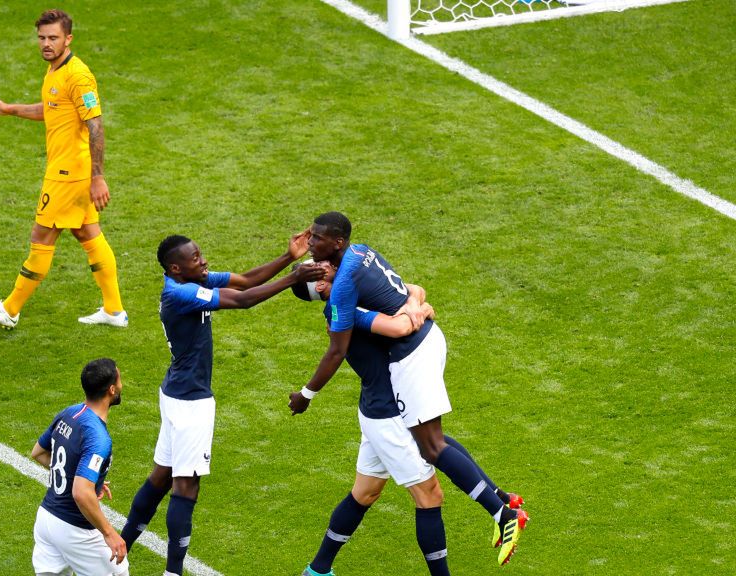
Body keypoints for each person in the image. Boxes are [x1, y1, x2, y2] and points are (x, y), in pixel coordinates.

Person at [289, 212, 528, 566]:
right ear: (319, 288)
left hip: (380, 407)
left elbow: (411, 293)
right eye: (315, 270)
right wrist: (415, 310)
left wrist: (414, 304)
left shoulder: (351, 285)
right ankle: (501, 509)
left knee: (390, 476)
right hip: (386, 415)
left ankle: (318, 569)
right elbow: (400, 324)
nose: (316, 261)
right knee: (415, 491)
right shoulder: (345, 307)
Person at [119, 231, 325, 576]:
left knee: (161, 477)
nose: (204, 261)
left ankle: (119, 549)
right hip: (190, 403)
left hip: (175, 393)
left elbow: (244, 282)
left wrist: (288, 257)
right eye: (196, 257)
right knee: (186, 486)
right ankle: (172, 572)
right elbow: (243, 301)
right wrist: (294, 278)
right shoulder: (181, 293)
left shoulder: (190, 279)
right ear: (176, 267)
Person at [0, 9, 126, 329]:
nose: (46, 43)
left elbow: (95, 125)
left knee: (42, 234)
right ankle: (114, 310)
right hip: (69, 170)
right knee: (87, 233)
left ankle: (10, 309)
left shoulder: (78, 76)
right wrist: (9, 108)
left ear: (68, 38)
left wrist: (98, 177)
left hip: (69, 173)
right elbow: (51, 110)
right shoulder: (55, 70)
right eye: (41, 37)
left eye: (53, 38)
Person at [30, 358, 129, 576]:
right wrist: (109, 532)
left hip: (46, 520)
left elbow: (38, 452)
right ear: (112, 390)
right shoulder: (99, 438)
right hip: (74, 529)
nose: (122, 385)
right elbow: (81, 493)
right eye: (120, 380)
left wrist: (86, 479)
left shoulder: (70, 413)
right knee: (118, 572)